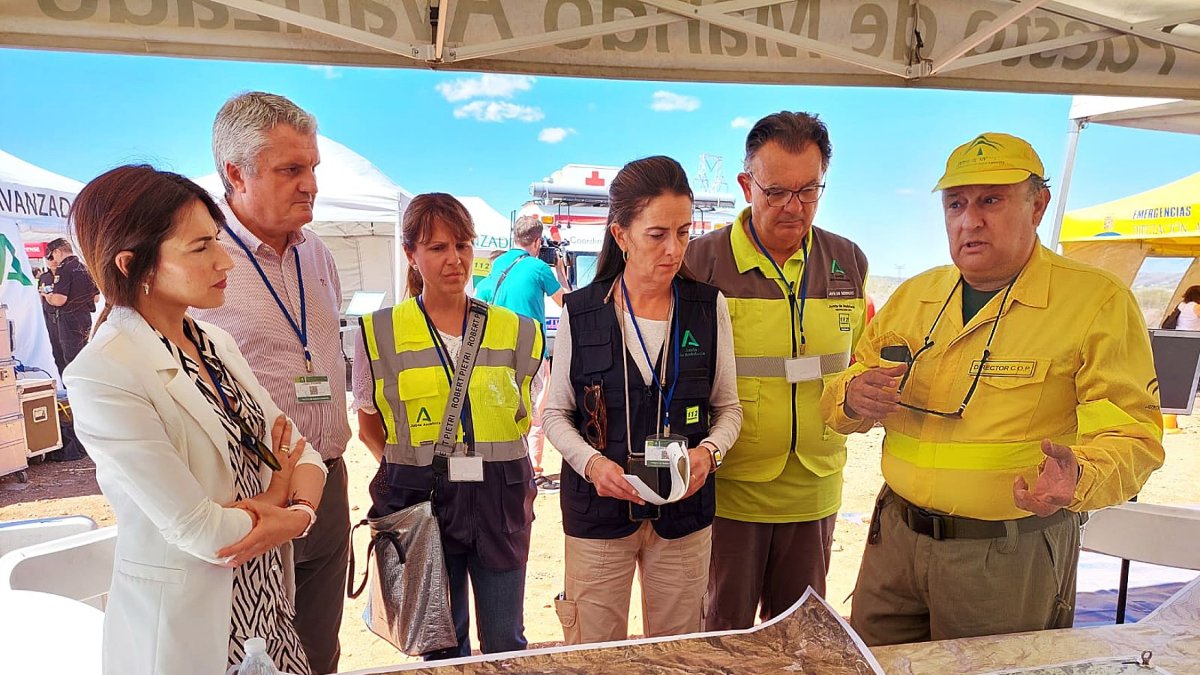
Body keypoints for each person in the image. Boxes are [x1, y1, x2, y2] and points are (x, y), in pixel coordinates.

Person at [821, 132, 1165, 646]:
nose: (970, 220)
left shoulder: (1096, 303)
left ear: (1038, 205)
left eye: (991, 200)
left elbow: (1134, 436)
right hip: (894, 543)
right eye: (956, 203)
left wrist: (1082, 476)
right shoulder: (914, 295)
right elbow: (840, 393)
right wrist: (851, 397)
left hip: (1007, 557)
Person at [63, 165, 328, 675]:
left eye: (218, 241)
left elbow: (305, 453)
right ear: (132, 264)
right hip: (194, 635)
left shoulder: (214, 342)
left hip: (269, 615)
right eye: (201, 247)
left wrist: (299, 516)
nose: (224, 260)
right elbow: (205, 533)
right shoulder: (105, 373)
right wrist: (278, 496)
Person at [543, 155, 742, 644]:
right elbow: (554, 413)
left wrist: (709, 453)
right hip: (599, 514)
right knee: (594, 649)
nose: (673, 249)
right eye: (657, 235)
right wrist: (591, 465)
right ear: (621, 235)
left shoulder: (707, 307)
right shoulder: (581, 311)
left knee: (676, 652)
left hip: (683, 516)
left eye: (683, 232)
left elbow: (729, 408)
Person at [684, 111, 869, 630]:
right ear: (746, 185)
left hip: (815, 487)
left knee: (800, 637)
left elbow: (855, 365)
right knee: (727, 635)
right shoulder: (701, 263)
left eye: (808, 191)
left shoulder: (848, 261)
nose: (793, 207)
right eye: (776, 192)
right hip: (732, 486)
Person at [192, 91, 350, 674]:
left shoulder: (319, 255)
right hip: (251, 495)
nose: (310, 183)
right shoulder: (202, 262)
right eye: (291, 170)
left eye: (312, 168)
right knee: (257, 656)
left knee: (319, 648)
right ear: (235, 173)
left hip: (327, 478)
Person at [354, 193, 540, 659]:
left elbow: (526, 410)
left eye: (462, 244)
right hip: (421, 503)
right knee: (438, 643)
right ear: (411, 254)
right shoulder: (379, 332)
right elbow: (369, 426)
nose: (454, 259)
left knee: (505, 642)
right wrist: (419, 470)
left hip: (501, 501)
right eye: (437, 247)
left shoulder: (517, 330)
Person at [475, 215, 568, 492]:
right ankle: (533, 470)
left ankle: (507, 463)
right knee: (537, 408)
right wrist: (560, 270)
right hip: (532, 352)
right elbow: (568, 302)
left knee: (506, 407)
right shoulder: (538, 267)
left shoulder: (498, 265)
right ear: (538, 241)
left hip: (499, 351)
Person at [39, 237, 98, 373]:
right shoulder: (84, 267)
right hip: (85, 317)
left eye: (52, 255)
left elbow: (59, 300)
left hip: (69, 319)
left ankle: (76, 391)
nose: (53, 260)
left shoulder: (64, 269)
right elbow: (96, 297)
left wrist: (48, 297)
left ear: (58, 251)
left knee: (72, 359)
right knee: (84, 354)